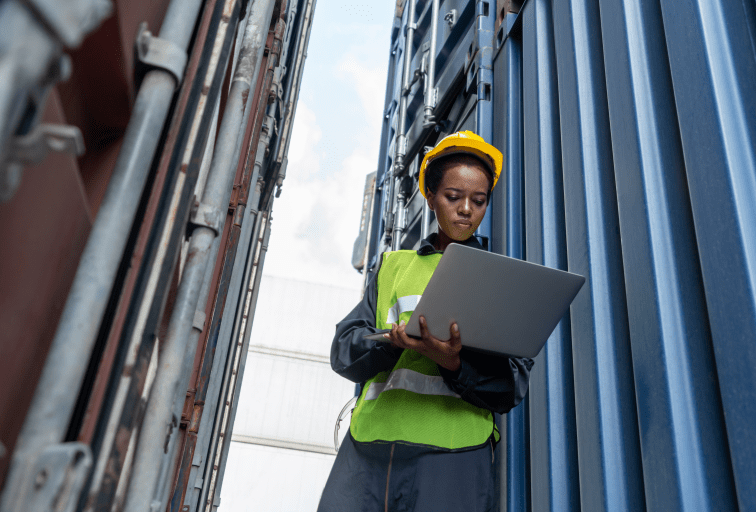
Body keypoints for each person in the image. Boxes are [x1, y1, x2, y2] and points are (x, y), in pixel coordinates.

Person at [318, 131, 534, 512]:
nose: (466, 209)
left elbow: (511, 386)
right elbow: (344, 351)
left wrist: (452, 362)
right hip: (371, 449)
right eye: (453, 197)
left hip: (453, 456)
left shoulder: (500, 280)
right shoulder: (393, 267)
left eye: (479, 200)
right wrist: (392, 343)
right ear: (431, 196)